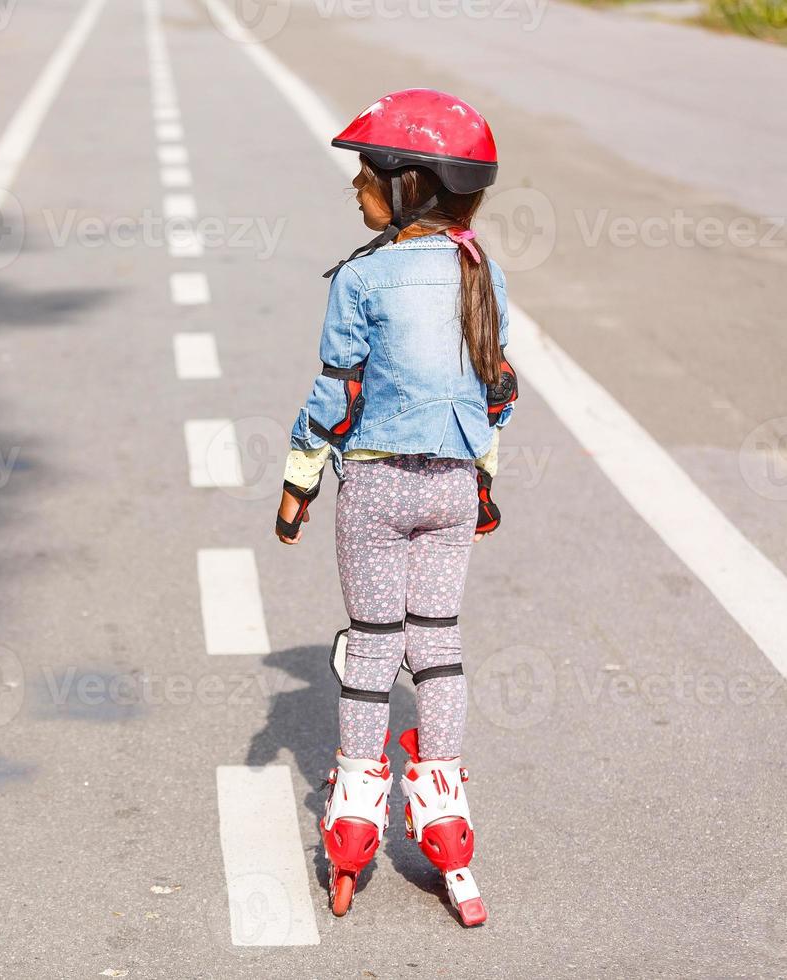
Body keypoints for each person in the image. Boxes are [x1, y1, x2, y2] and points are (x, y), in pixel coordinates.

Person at [272, 89, 517, 926]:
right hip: (452, 485)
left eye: (368, 175)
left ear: (410, 184)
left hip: (375, 487)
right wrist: (481, 483)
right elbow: (496, 391)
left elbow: (335, 393)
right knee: (438, 643)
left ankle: (351, 819)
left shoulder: (365, 278)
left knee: (375, 647)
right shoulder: (484, 272)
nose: (357, 188)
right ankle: (444, 813)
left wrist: (300, 478)